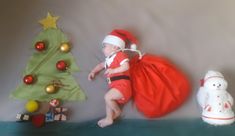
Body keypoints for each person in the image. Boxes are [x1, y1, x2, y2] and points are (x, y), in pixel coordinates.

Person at [88, 29, 138, 128]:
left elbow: (126, 67)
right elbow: (100, 65)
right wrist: (93, 72)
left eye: (105, 46)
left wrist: (113, 71)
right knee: (108, 100)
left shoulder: (120, 55)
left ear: (114, 47)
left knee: (107, 97)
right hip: (116, 88)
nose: (102, 49)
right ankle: (109, 118)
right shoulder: (108, 60)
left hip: (123, 86)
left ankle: (117, 111)